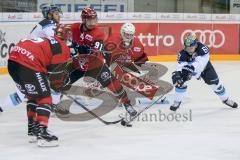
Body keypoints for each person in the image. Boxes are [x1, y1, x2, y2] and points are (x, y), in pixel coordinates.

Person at [7, 25, 72, 147]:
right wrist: (60, 85)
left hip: (12, 62)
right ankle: (42, 133)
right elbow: (56, 77)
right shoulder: (62, 47)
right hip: (28, 63)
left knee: (32, 95)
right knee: (45, 97)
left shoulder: (44, 39)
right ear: (67, 37)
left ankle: (32, 130)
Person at [67, 7, 137, 117]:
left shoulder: (98, 33)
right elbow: (63, 38)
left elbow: (93, 54)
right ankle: (52, 103)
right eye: (91, 20)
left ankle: (127, 104)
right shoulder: (74, 27)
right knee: (60, 81)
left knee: (113, 83)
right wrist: (70, 47)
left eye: (95, 19)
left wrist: (80, 50)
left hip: (95, 65)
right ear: (84, 20)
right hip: (77, 65)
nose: (94, 22)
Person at [0, 4, 62, 112]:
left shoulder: (43, 23)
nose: (59, 16)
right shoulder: (49, 24)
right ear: (49, 15)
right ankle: (50, 107)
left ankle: (1, 108)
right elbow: (54, 43)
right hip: (30, 61)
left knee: (23, 94)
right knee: (53, 86)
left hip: (20, 57)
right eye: (56, 14)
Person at [170, 33, 238, 111]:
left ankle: (225, 99)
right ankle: (177, 101)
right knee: (180, 82)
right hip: (190, 68)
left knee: (216, 85)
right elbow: (180, 66)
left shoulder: (203, 49)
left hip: (205, 68)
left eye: (191, 47)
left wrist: (190, 70)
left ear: (196, 45)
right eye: (187, 48)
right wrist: (178, 75)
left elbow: (200, 65)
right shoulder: (182, 54)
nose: (189, 50)